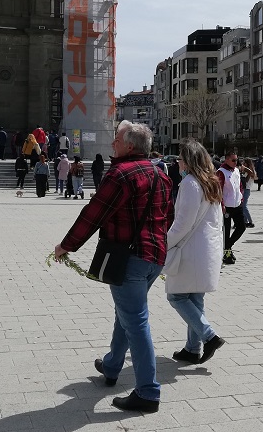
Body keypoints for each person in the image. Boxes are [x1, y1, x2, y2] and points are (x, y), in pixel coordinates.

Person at [52, 121, 173, 413]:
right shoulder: (161, 173)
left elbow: (93, 214)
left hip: (128, 257)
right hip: (155, 256)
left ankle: (148, 392)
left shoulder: (121, 174)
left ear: (129, 145)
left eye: (116, 140)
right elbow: (167, 216)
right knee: (128, 314)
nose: (112, 145)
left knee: (136, 321)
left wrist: (66, 246)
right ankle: (112, 366)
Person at [164, 138, 226, 365]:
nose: (178, 162)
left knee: (176, 296)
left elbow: (183, 222)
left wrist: (166, 242)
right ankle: (192, 348)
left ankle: (209, 336)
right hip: (206, 248)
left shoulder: (190, 183)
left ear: (188, 161)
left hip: (190, 249)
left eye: (180, 158)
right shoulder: (211, 181)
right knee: (195, 297)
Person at [216, 150, 245, 264]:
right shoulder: (221, 172)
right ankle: (227, 253)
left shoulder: (236, 170)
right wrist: (222, 204)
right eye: (233, 160)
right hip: (227, 206)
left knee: (241, 227)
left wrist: (241, 197)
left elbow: (240, 186)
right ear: (226, 159)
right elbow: (219, 190)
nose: (235, 162)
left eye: (236, 160)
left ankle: (228, 246)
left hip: (237, 205)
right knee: (226, 231)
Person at [239, 157, 256, 228]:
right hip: (246, 190)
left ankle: (251, 222)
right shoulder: (250, 171)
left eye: (244, 163)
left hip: (246, 190)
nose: (243, 164)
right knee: (243, 206)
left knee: (244, 206)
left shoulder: (249, 172)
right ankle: (245, 221)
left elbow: (245, 181)